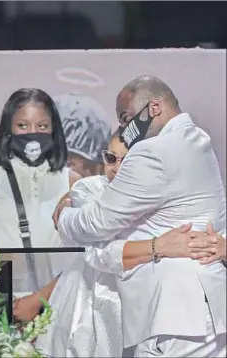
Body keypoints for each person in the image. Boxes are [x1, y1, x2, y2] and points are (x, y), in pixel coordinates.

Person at [55, 75, 226, 357]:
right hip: (195, 310)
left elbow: (97, 223)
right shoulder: (197, 140)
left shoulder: (153, 151)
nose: (124, 130)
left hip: (177, 312)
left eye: (126, 119)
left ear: (154, 107)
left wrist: (63, 218)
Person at [14, 130, 225, 356]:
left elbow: (205, 232)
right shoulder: (90, 189)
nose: (116, 167)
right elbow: (97, 253)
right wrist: (158, 247)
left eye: (128, 160)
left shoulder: (167, 191)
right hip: (92, 299)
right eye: (111, 158)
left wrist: (220, 248)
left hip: (148, 304)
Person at [0, 88, 82, 291]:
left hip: (55, 296)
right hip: (2, 295)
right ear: (8, 128)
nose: (32, 133)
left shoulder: (73, 182)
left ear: (54, 129)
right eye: (22, 125)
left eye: (42, 126)